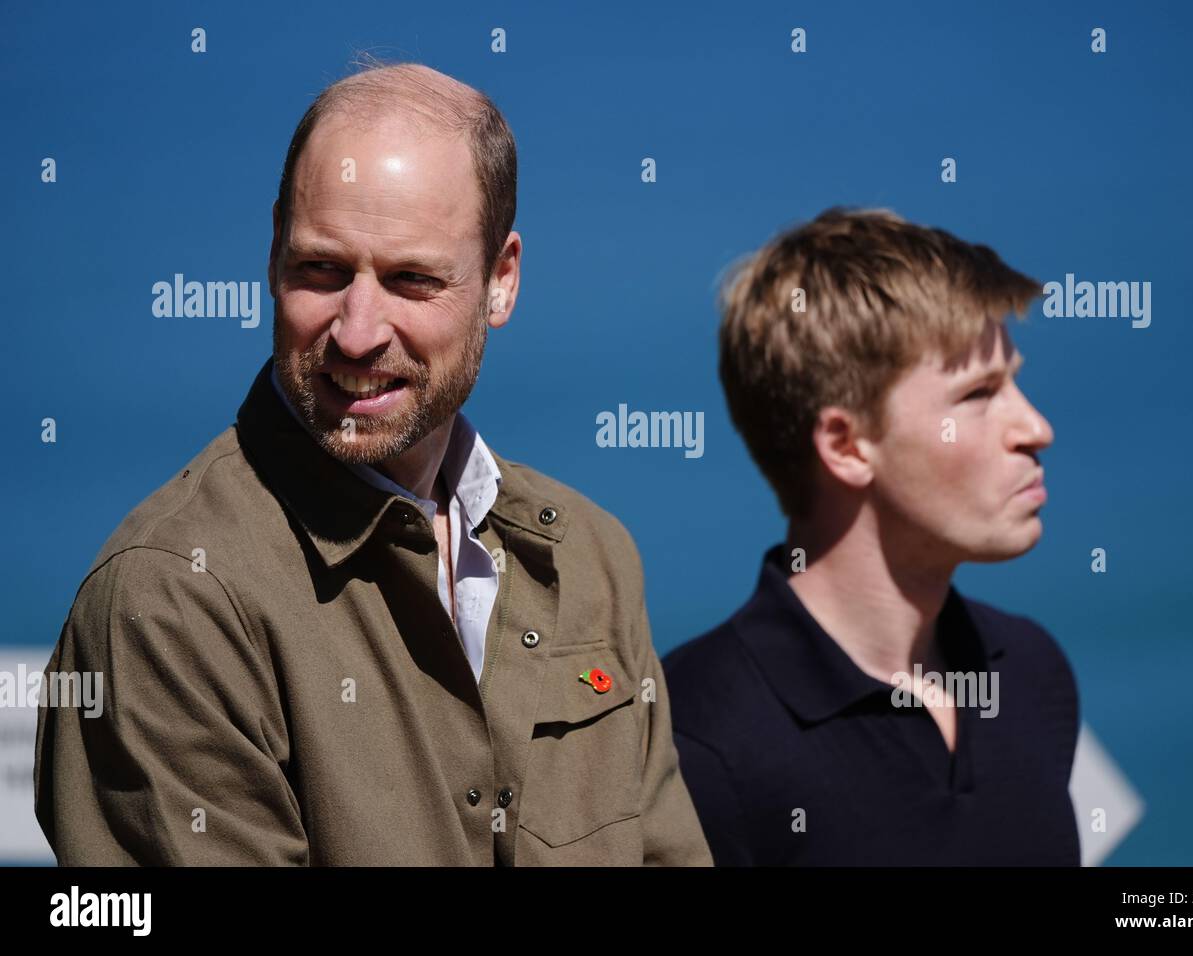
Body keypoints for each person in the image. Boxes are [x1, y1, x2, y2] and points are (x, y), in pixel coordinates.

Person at [34, 60, 711, 866]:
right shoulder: (171, 603)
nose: (357, 331)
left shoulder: (592, 562)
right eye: (321, 269)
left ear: (501, 281)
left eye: (411, 280)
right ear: (273, 248)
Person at [663, 208, 1080, 865]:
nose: (1036, 427)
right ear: (846, 445)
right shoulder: (695, 742)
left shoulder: (1031, 673)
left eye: (1016, 383)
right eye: (978, 394)